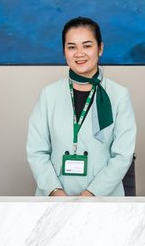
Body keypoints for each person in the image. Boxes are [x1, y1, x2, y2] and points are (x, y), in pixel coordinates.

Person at [26, 17, 136, 197]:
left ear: (100, 48)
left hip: (103, 199)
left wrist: (91, 194)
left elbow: (122, 156)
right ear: (64, 51)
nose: (79, 53)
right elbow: (36, 151)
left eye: (87, 46)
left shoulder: (119, 95)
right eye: (72, 47)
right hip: (54, 199)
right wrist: (55, 192)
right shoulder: (49, 94)